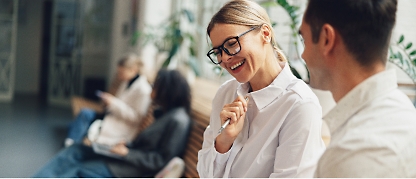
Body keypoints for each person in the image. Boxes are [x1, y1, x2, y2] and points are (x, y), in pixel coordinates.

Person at [197, 0, 326, 177]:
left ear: (265, 33)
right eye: (218, 52)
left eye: (232, 44)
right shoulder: (225, 94)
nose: (225, 58)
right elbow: (205, 175)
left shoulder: (299, 105)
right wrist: (224, 142)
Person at [299, 0, 416, 177]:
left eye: (304, 40)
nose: (303, 55)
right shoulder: (403, 112)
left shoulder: (351, 154)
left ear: (326, 39)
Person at [33, 68, 192, 177]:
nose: (152, 90)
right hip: (123, 157)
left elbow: (161, 160)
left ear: (167, 90)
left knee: (77, 170)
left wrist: (127, 153)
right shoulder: (167, 114)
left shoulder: (178, 121)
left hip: (129, 169)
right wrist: (126, 146)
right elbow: (148, 145)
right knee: (75, 150)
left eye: (155, 86)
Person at [65, 54, 152, 147]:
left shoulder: (143, 90)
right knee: (83, 115)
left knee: (82, 118)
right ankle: (71, 142)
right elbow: (120, 102)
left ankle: (70, 144)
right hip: (112, 115)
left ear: (133, 70)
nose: (119, 76)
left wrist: (113, 103)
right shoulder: (127, 82)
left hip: (121, 125)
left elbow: (136, 118)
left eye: (121, 73)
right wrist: (109, 102)